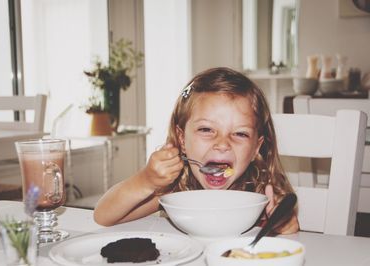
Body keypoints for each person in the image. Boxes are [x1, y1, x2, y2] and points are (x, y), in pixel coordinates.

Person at [94, 67, 299, 234]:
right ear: (182, 139)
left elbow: (291, 236)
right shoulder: (176, 189)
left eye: (240, 134)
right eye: (207, 129)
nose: (222, 144)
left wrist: (285, 226)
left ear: (256, 147)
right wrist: (145, 180)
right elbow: (103, 216)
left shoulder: (264, 194)